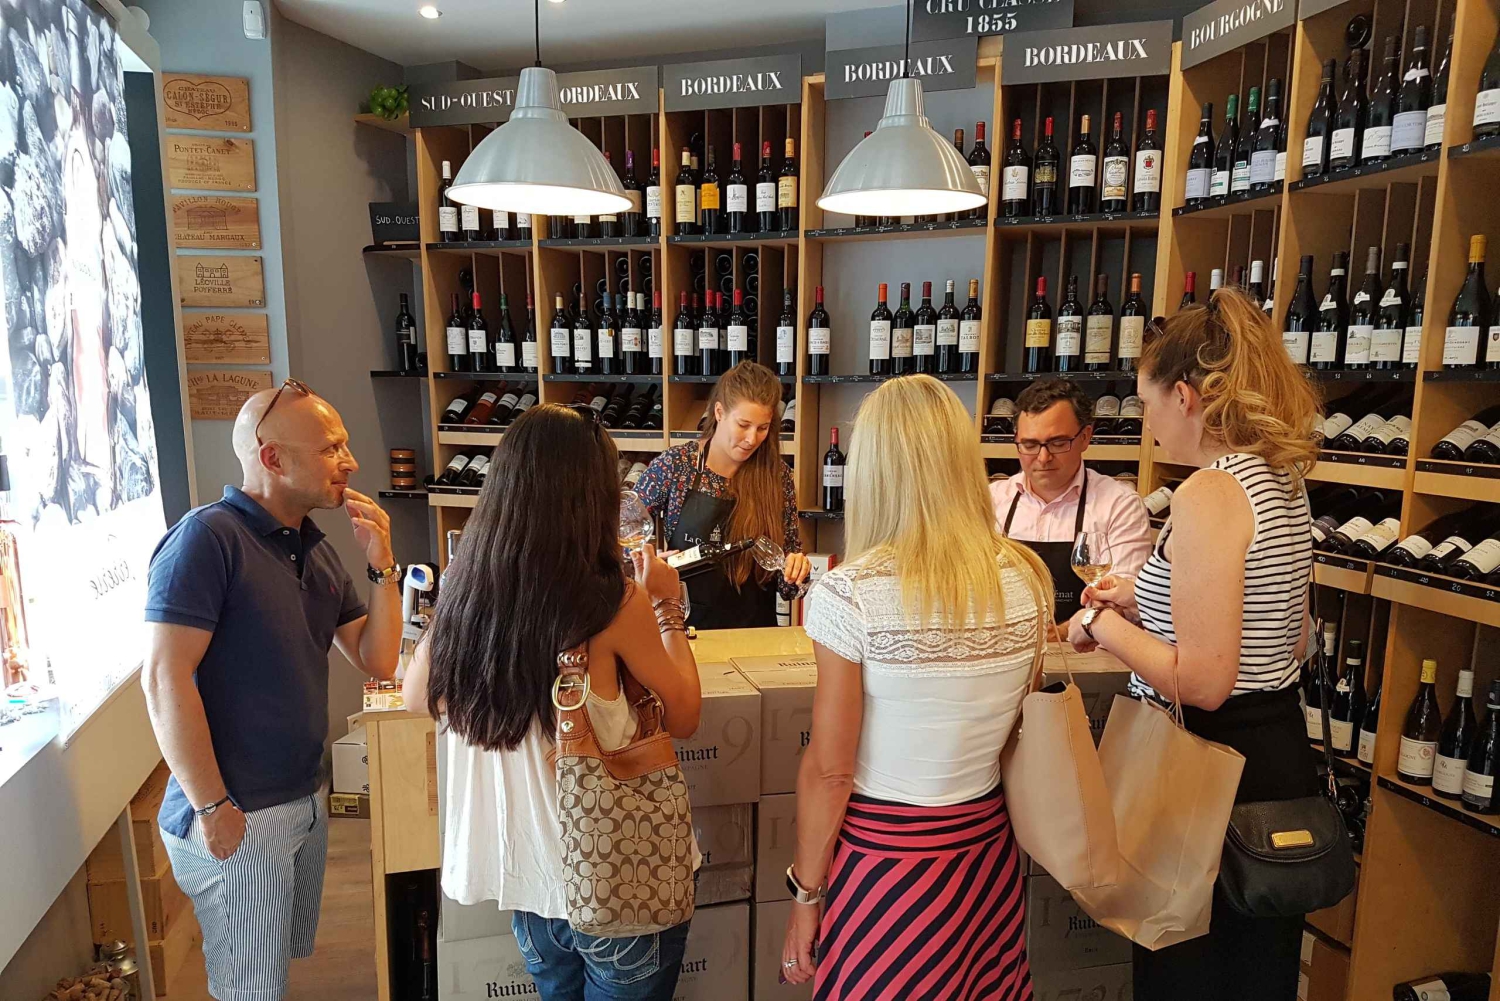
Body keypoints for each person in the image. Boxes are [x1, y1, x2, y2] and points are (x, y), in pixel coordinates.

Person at [1065, 288, 1321, 1000]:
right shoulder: (1280, 477)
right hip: (1273, 757)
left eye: (1148, 406)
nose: (1148, 426)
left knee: (1187, 978)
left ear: (1185, 396)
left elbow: (1204, 681)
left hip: (1207, 772)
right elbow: (1293, 633)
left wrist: (1100, 626)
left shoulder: (1210, 491)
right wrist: (1141, 597)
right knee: (1256, 976)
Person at [401, 403, 703, 1001]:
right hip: (620, 881)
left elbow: (417, 697)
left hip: (533, 894)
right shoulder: (614, 602)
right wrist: (668, 605)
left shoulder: (466, 591)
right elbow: (686, 715)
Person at [780, 375, 1051, 1001]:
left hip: (888, 862)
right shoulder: (1027, 579)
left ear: (873, 470)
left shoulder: (849, 594)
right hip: (986, 849)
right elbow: (1018, 729)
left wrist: (805, 896)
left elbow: (830, 771)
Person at [142, 379, 403, 1001]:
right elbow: (163, 677)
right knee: (249, 987)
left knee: (272, 968)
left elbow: (378, 659)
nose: (350, 462)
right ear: (272, 457)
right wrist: (212, 807)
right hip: (238, 810)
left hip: (301, 799)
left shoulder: (313, 548)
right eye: (331, 449)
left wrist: (383, 564)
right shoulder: (206, 539)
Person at [635, 361, 809, 628]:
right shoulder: (676, 465)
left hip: (755, 636)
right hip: (686, 633)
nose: (752, 439)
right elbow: (618, 535)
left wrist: (796, 571)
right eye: (743, 425)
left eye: (762, 428)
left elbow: (789, 590)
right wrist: (647, 564)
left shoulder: (777, 477)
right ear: (719, 412)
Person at [990, 377, 1153, 624]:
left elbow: (1125, 605)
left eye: (1058, 443)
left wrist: (1065, 633)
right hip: (1007, 645)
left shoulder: (1120, 505)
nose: (1043, 458)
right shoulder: (991, 501)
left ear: (1085, 437)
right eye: (1030, 445)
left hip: (1085, 646)